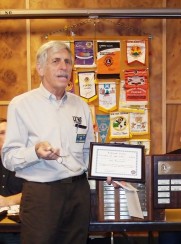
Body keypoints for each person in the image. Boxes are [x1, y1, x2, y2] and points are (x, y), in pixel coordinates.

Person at [2, 41, 95, 244]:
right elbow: (9, 158)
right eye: (56, 61)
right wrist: (35, 152)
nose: (64, 67)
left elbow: (89, 152)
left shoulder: (81, 105)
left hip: (79, 192)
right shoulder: (22, 104)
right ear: (40, 68)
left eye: (68, 62)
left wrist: (105, 172)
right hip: (42, 194)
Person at [0, 118, 23, 244]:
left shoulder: (25, 162)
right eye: (2, 133)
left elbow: (34, 191)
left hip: (16, 226)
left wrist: (7, 201)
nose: (7, 137)